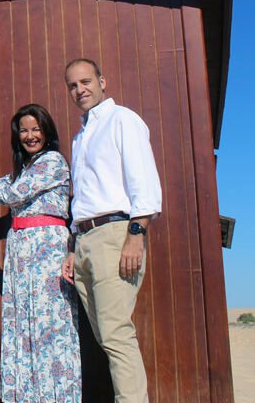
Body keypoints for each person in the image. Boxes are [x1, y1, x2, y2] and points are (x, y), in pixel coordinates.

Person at [61, 58, 163, 403]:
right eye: (73, 85)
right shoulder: (80, 137)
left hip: (115, 234)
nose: (80, 90)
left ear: (102, 81)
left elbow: (143, 181)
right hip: (86, 240)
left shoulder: (123, 120)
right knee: (106, 336)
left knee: (117, 334)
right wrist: (74, 248)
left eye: (86, 81)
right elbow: (84, 198)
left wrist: (136, 235)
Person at [0, 104, 81, 402]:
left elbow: (9, 195)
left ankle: (56, 395)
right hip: (21, 249)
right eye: (24, 130)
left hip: (47, 246)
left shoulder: (54, 162)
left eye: (36, 129)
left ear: (47, 131)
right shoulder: (24, 170)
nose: (30, 135)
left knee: (51, 321)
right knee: (22, 320)